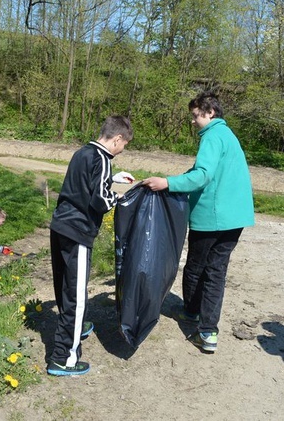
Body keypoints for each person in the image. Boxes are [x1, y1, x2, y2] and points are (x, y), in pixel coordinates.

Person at [142, 91, 254, 353]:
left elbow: (203, 175)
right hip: (234, 217)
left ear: (210, 112)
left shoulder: (213, 137)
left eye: (195, 115)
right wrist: (175, 179)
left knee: (196, 267)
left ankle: (193, 315)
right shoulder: (227, 135)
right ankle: (209, 332)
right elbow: (200, 172)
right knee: (217, 271)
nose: (192, 121)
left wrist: (167, 183)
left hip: (212, 217)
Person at [47, 115, 135, 376]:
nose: (122, 150)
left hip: (60, 226)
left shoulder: (82, 152)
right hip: (79, 232)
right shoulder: (103, 159)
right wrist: (121, 198)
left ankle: (76, 326)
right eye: (124, 145)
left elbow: (84, 184)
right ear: (117, 139)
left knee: (64, 287)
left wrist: (112, 178)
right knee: (77, 297)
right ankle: (65, 358)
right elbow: (100, 200)